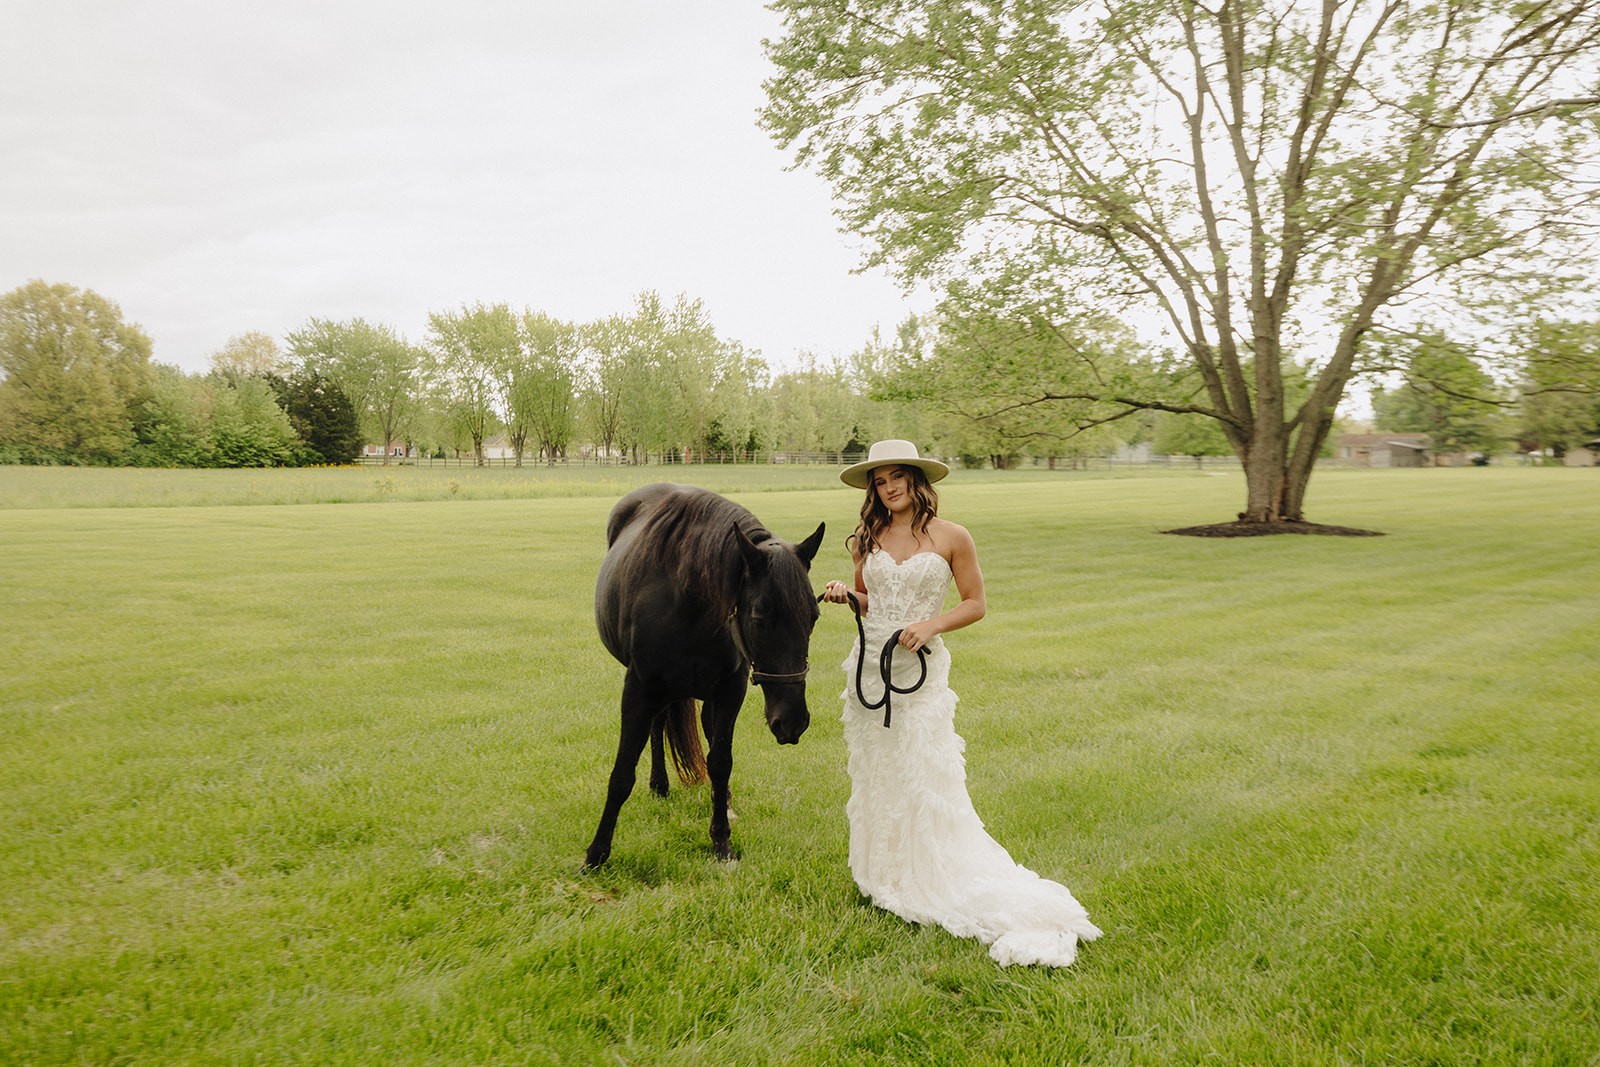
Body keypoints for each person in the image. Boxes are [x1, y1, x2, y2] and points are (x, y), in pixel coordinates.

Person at [820, 440, 1102, 967]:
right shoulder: (866, 537)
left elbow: (976, 603)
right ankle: (885, 872)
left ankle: (936, 871)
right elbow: (871, 601)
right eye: (879, 481)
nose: (889, 488)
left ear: (917, 479)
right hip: (872, 665)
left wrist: (931, 624)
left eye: (897, 477)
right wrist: (845, 594)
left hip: (920, 668)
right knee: (879, 768)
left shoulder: (953, 537)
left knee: (923, 768)